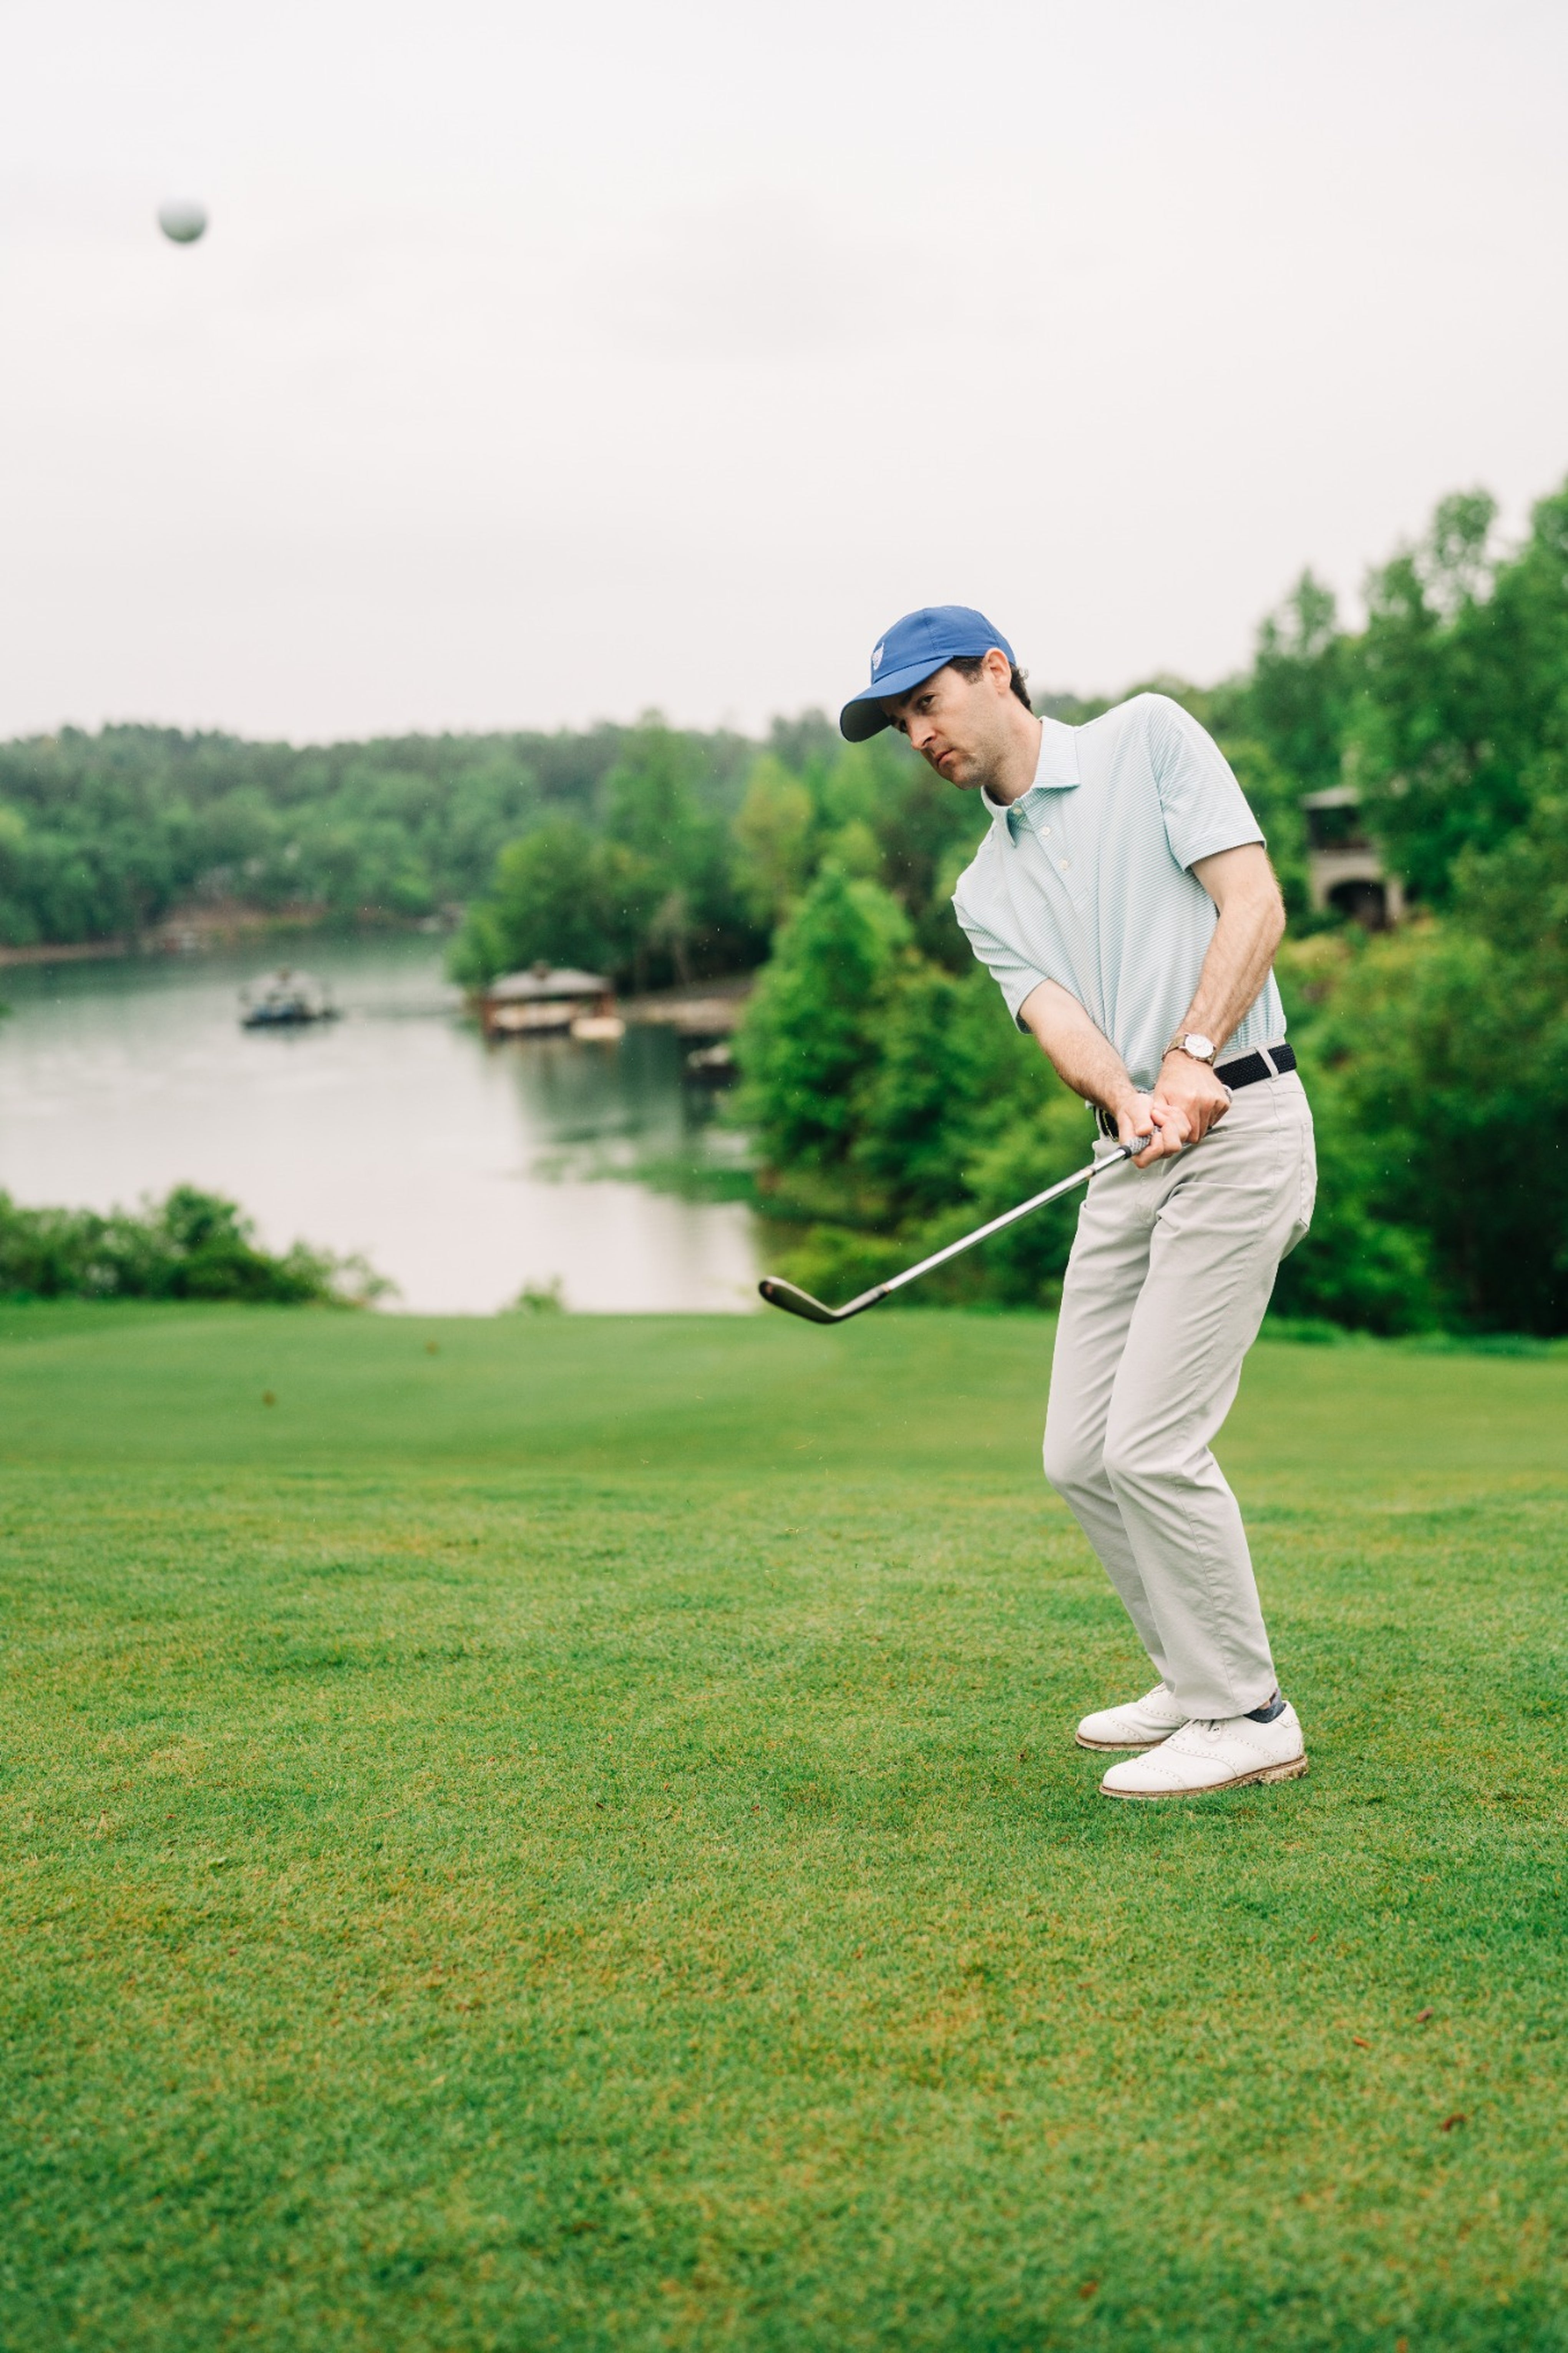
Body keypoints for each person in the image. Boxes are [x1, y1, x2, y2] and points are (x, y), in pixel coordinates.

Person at [840, 605, 1316, 1800]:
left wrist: (1195, 1050)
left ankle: (1247, 1713)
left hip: (1242, 1120)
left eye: (926, 704)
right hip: (1130, 1153)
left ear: (994, 671)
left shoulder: (1147, 738)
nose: (917, 737)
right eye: (899, 724)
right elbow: (1061, 1024)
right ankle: (1188, 1669)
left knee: (1152, 1442)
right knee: (1077, 1453)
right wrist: (1128, 1091)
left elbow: (1251, 903)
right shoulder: (980, 886)